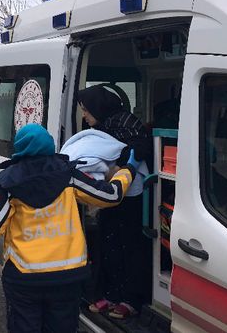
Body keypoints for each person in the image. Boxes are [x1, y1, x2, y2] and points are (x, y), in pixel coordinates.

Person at [0, 124, 138, 333]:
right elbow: (111, 195)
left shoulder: (7, 182)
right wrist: (128, 170)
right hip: (67, 277)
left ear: (19, 147)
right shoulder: (68, 174)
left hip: (24, 277)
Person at [76, 84, 153, 319]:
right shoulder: (98, 129)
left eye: (86, 110)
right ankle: (109, 294)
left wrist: (121, 166)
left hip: (132, 197)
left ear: (99, 108)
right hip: (107, 195)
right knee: (108, 245)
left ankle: (130, 299)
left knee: (130, 246)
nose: (84, 116)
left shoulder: (127, 125)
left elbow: (142, 149)